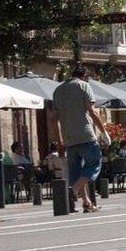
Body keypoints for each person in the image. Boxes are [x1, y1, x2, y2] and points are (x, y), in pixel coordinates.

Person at [50, 64, 110, 213]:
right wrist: (103, 132)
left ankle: (87, 203)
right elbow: (92, 111)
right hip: (85, 134)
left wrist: (59, 141)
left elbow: (52, 119)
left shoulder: (58, 90)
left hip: (68, 138)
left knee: (76, 172)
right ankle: (74, 190)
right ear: (85, 76)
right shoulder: (84, 86)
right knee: (95, 163)